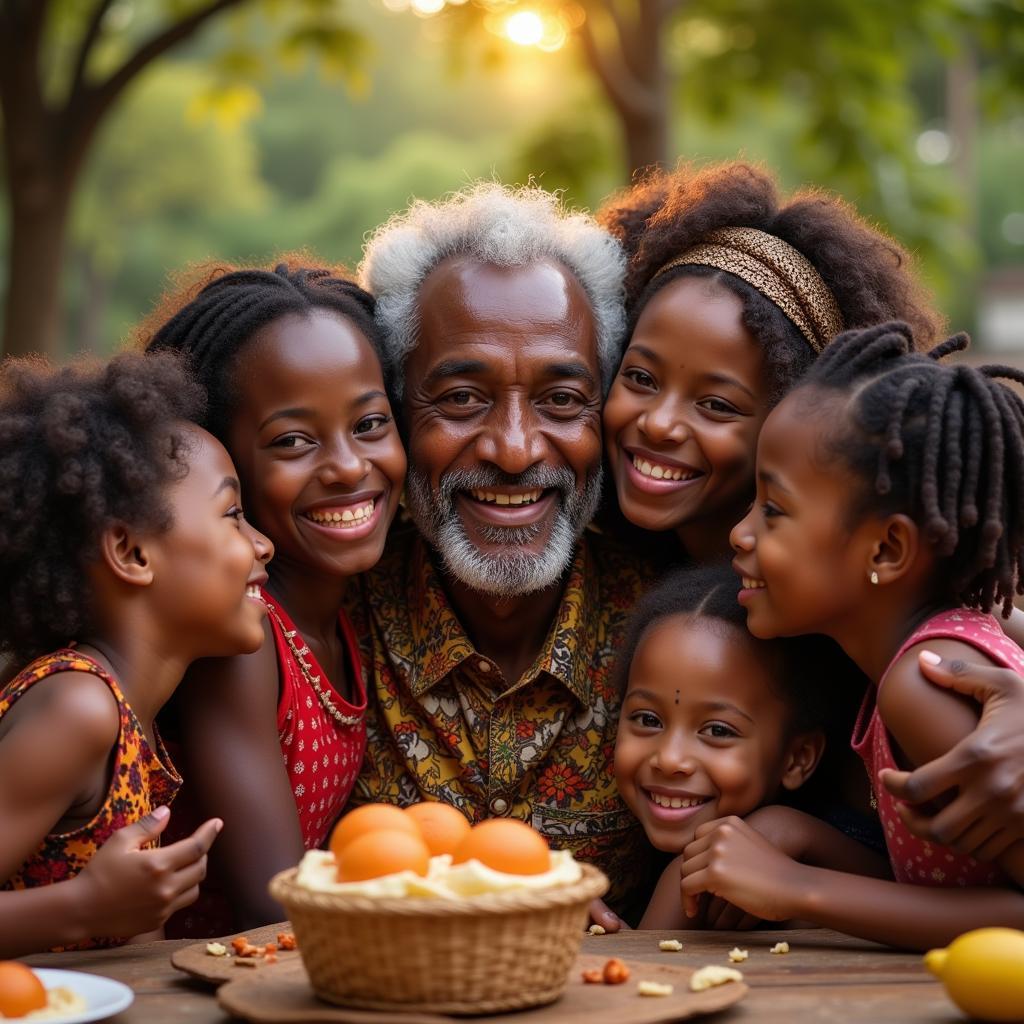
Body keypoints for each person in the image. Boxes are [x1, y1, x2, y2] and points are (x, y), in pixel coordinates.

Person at [351, 182, 655, 921]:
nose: (515, 451)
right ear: (393, 408)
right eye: (460, 399)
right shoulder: (331, 621)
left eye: (560, 400)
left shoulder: (674, 618)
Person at [712, 322, 1024, 949]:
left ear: (886, 548)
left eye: (773, 510)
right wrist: (804, 842)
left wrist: (798, 890)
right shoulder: (929, 646)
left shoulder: (924, 682)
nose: (740, 535)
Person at [142, 262, 406, 933]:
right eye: (293, 441)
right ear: (221, 459)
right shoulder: (242, 641)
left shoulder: (350, 612)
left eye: (371, 423)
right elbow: (274, 904)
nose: (348, 465)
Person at [0, 352, 273, 956]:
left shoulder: (130, 712)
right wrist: (83, 907)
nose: (263, 543)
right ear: (132, 552)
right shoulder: (78, 707)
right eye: (233, 515)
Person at [598, 161, 940, 561]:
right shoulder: (585, 566)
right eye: (641, 378)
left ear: (791, 424)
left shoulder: (855, 607)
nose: (658, 424)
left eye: (716, 405)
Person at [613, 563, 883, 929]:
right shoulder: (670, 873)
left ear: (797, 759)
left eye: (718, 730)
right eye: (648, 720)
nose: (670, 759)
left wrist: (793, 831)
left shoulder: (843, 855)